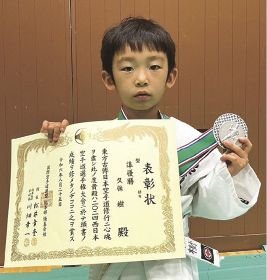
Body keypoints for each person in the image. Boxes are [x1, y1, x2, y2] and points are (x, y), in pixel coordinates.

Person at [40, 17, 261, 280]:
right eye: (128, 69)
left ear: (171, 76)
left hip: (170, 268)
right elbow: (66, 206)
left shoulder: (186, 138)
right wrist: (53, 151)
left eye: (154, 67)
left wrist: (232, 173)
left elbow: (215, 204)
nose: (142, 78)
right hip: (115, 268)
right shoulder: (90, 144)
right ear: (109, 79)